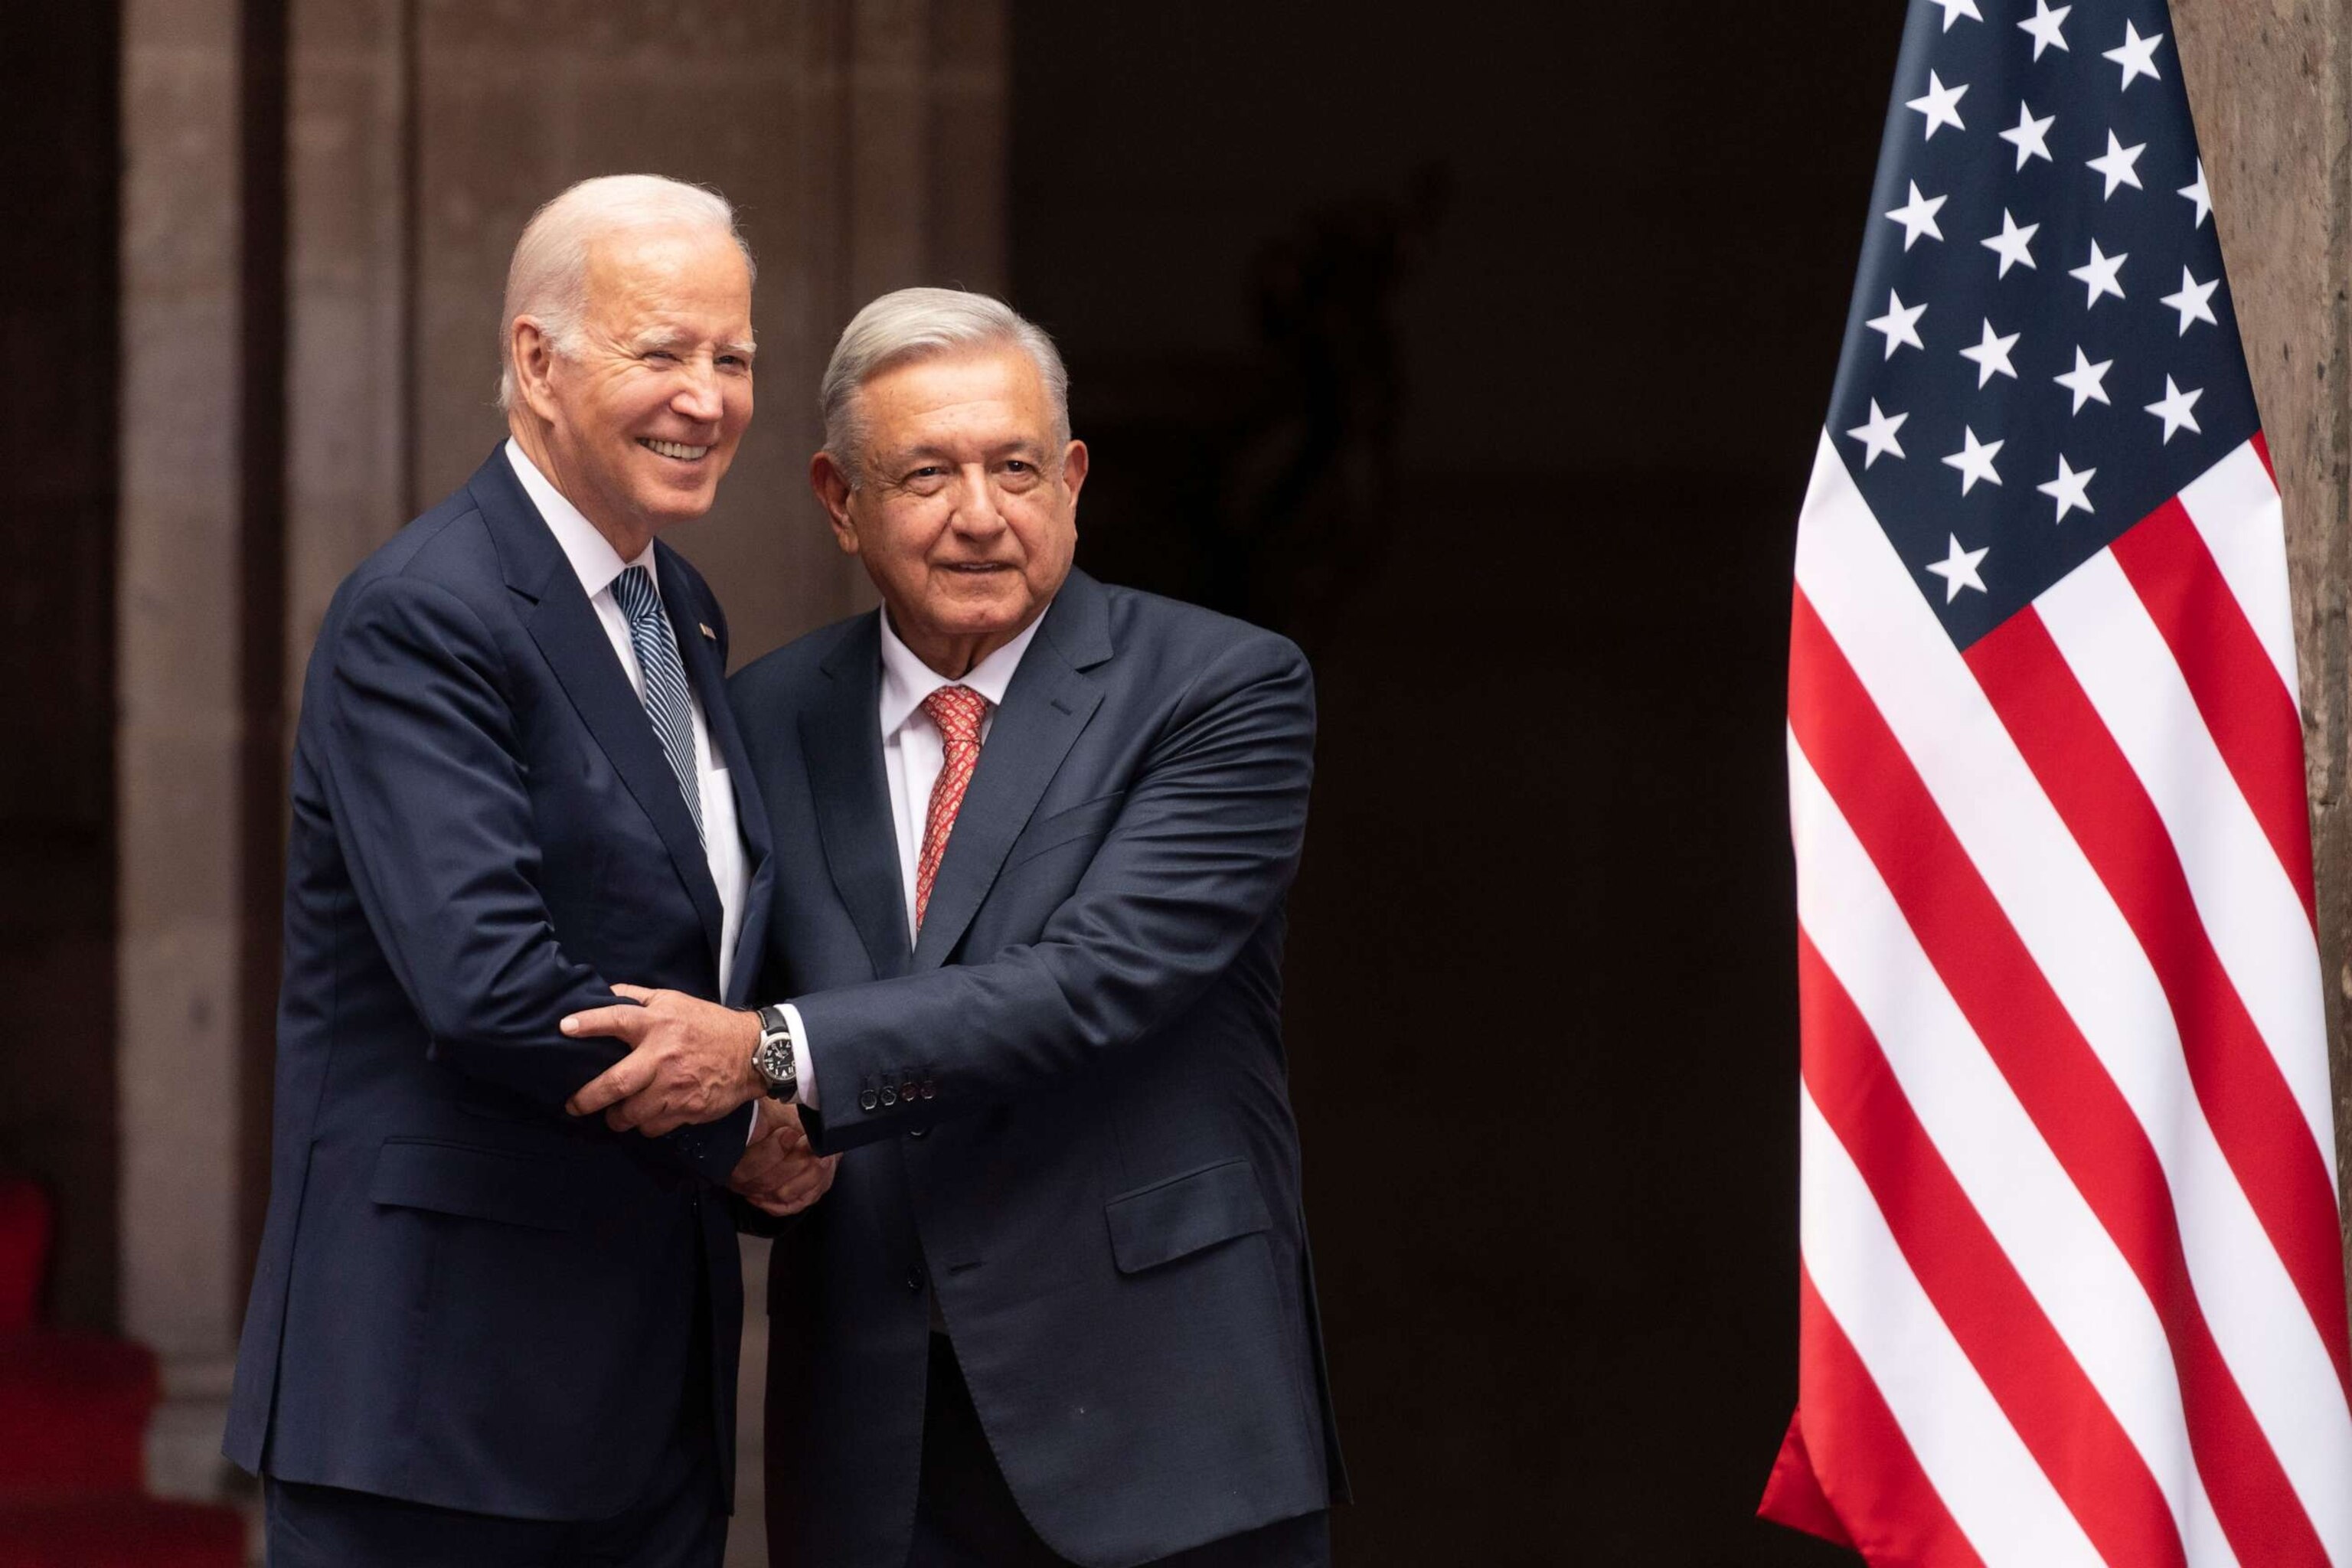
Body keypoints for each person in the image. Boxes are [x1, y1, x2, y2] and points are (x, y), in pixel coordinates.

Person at [564, 287, 1347, 1567]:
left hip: (1161, 1420)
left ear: (1075, 480)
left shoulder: (1221, 689)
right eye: (926, 472)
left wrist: (767, 1055)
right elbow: (709, 1020)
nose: (981, 515)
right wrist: (742, 1146)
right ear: (838, 500)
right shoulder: (759, 719)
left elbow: (1097, 981)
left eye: (1016, 468)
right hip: (874, 1440)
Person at [222, 174, 833, 1567]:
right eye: (660, 350)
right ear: (536, 362)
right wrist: (748, 1123)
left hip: (638, 1408)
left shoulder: (677, 608)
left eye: (733, 359)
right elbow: (489, 987)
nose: (707, 396)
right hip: (441, 1412)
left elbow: (697, 932)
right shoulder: (425, 612)